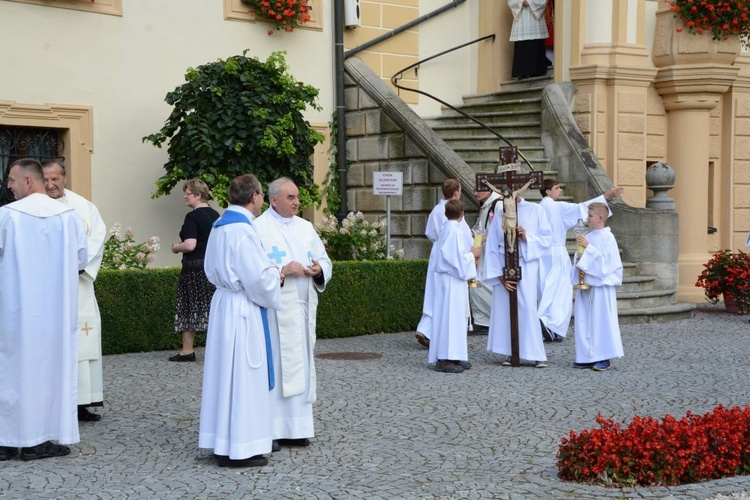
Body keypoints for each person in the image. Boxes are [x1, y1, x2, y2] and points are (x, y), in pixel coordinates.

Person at [0, 158, 87, 461]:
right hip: (55, 314)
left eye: (11, 180)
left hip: (14, 311)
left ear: (27, 181)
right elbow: (80, 259)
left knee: (10, 370)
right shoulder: (68, 216)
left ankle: (6, 440)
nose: (8, 186)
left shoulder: (6, 217)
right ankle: (40, 440)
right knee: (50, 373)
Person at [198, 174, 282, 468]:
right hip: (242, 308)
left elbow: (211, 267)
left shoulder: (219, 225)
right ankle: (241, 447)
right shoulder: (243, 231)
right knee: (244, 376)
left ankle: (223, 441)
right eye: (260, 195)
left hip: (223, 303)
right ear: (255, 196)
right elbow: (256, 278)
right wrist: (276, 275)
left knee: (225, 375)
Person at [254, 177, 332, 449]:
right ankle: (273, 429)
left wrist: (318, 270)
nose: (297, 202)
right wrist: (282, 271)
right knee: (278, 364)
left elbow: (324, 259)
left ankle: (298, 427)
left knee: (302, 365)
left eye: (297, 197)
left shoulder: (306, 227)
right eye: (290, 197)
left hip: (302, 310)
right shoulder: (259, 228)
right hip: (275, 313)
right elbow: (255, 272)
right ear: (273, 199)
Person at [41, 160, 107, 423]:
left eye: (55, 179)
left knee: (84, 342)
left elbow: (96, 237)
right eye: (45, 179)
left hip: (78, 286)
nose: (50, 185)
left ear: (65, 178)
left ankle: (81, 403)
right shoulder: (34, 208)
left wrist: (76, 267)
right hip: (47, 288)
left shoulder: (83, 207)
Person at [537, 180, 623, 342]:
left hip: (541, 253)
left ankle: (546, 322)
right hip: (556, 252)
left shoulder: (537, 209)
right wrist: (607, 195)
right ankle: (550, 323)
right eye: (556, 188)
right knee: (561, 291)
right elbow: (581, 209)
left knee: (545, 288)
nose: (560, 191)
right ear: (547, 192)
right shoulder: (556, 207)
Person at [483, 186, 552, 367]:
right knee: (506, 309)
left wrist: (526, 237)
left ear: (519, 191)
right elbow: (491, 248)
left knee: (528, 307)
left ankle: (536, 353)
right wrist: (500, 277)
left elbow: (547, 239)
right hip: (504, 267)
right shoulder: (499, 215)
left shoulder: (536, 210)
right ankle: (511, 352)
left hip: (526, 266)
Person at [427, 200, 482, 373]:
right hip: (451, 280)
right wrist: (472, 255)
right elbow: (455, 260)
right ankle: (446, 357)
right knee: (450, 319)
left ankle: (456, 354)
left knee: (456, 318)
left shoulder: (448, 229)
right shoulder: (452, 231)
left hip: (452, 280)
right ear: (462, 214)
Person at [168, 180, 220, 362]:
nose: (185, 196)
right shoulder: (216, 215)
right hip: (213, 268)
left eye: (188, 193)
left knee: (190, 308)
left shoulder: (192, 217)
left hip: (195, 269)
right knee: (214, 308)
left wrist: (175, 247)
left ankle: (187, 351)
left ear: (198, 195)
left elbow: (190, 245)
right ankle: (221, 350)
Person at [416, 179, 471, 348]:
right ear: (456, 192)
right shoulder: (455, 212)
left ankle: (426, 328)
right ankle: (435, 332)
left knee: (433, 293)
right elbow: (465, 237)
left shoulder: (436, 210)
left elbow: (430, 233)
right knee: (445, 296)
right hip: (452, 259)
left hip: (436, 254)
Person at [571, 202, 624, 371]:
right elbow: (580, 257)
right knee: (584, 321)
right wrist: (578, 260)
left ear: (601, 218)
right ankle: (586, 356)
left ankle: (603, 356)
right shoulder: (590, 236)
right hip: (586, 285)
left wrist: (588, 248)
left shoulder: (608, 237)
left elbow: (607, 265)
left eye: (590, 216)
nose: (587, 219)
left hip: (601, 287)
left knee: (601, 322)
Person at [469, 185, 502, 333]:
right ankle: (483, 320)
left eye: (478, 190)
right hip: (483, 249)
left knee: (483, 283)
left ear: (488, 190)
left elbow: (499, 229)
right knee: (477, 284)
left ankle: (492, 320)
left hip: (491, 251)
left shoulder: (497, 204)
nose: (475, 193)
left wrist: (481, 238)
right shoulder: (486, 204)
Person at [508, 0, 550, 79]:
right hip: (521, 18)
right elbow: (511, 2)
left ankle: (535, 71)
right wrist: (521, 2)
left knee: (534, 43)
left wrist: (530, 2)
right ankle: (521, 72)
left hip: (534, 19)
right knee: (521, 45)